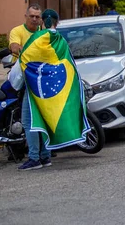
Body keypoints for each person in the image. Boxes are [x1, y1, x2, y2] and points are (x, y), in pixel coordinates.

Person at [15, 9, 88, 170]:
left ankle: (34, 158)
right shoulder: (60, 40)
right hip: (53, 91)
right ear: (58, 21)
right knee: (46, 119)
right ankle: (45, 156)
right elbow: (68, 64)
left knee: (29, 121)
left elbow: (24, 59)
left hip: (35, 87)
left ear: (42, 21)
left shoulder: (37, 38)